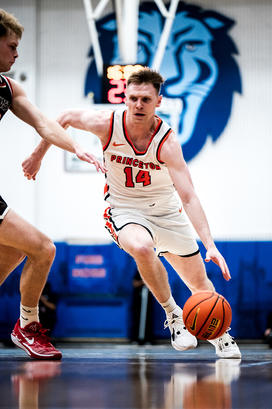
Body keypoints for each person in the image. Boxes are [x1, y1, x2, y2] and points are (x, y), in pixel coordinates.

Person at [23, 67, 241, 358]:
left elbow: (188, 196)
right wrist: (38, 155)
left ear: (158, 102)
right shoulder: (107, 124)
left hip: (167, 214)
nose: (139, 105)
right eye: (134, 98)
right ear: (125, 98)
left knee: (200, 285)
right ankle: (174, 316)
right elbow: (63, 118)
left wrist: (210, 245)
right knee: (141, 247)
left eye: (146, 100)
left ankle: (220, 334)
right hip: (125, 211)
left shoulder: (168, 143)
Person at [0, 9, 105, 360]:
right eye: (12, 45)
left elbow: (44, 123)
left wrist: (77, 148)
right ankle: (27, 327)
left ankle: (26, 326)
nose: (17, 54)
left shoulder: (9, 88)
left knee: (18, 250)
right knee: (43, 248)